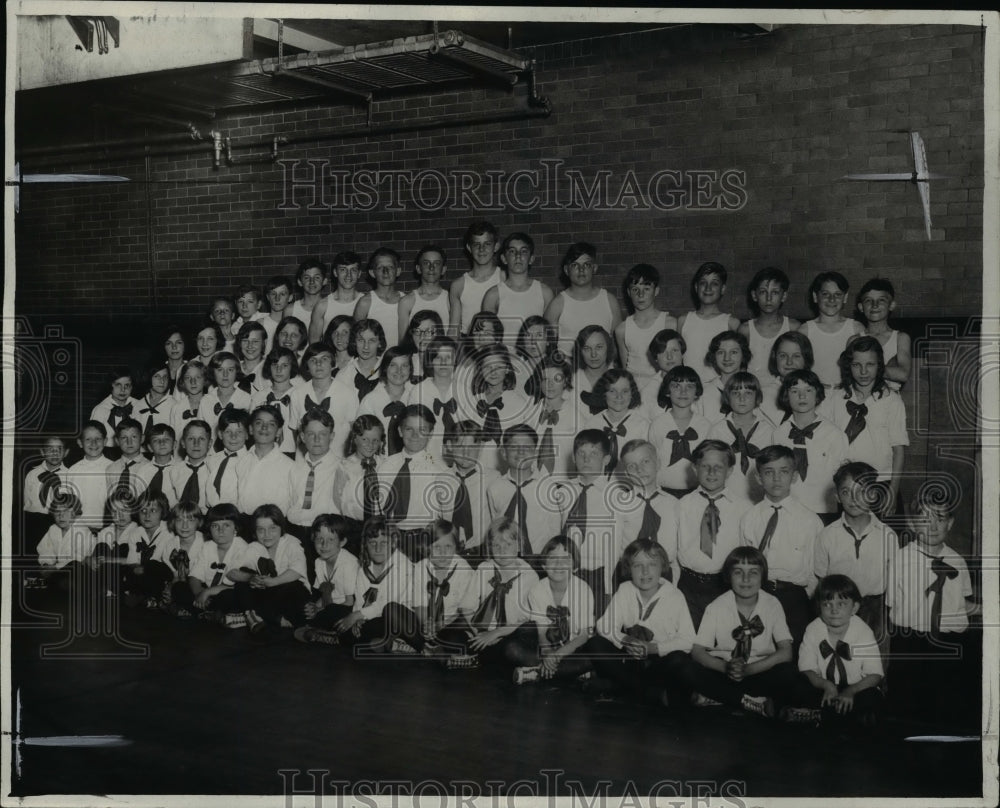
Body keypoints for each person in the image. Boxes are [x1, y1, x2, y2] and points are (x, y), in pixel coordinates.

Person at [886, 489, 977, 728]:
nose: (933, 525)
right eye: (925, 518)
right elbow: (893, 603)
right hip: (912, 641)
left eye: (940, 517)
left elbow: (962, 603)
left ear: (950, 523)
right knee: (909, 705)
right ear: (913, 524)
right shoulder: (901, 559)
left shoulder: (957, 560)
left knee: (947, 703)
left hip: (950, 641)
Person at [684, 547, 796, 718]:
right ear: (728, 576)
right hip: (725, 672)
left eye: (753, 572)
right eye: (738, 572)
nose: (745, 579)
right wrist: (726, 667)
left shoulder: (772, 604)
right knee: (687, 669)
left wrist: (749, 670)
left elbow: (786, 652)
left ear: (763, 577)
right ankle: (751, 702)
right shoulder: (716, 606)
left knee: (789, 672)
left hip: (758, 671)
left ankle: (721, 697)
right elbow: (698, 651)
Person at [585, 539, 695, 705]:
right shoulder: (625, 590)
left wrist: (653, 649)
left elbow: (688, 640)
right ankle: (645, 692)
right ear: (629, 569)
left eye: (651, 564)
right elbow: (604, 625)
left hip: (657, 663)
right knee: (595, 643)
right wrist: (626, 640)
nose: (644, 571)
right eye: (637, 565)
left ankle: (624, 687)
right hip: (630, 659)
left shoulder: (675, 596)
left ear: (663, 567)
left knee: (679, 659)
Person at [739, 445, 823, 646]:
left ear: (794, 476)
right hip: (759, 595)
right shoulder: (749, 518)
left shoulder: (810, 521)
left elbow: (815, 573)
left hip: (795, 599)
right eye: (769, 472)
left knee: (794, 656)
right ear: (759, 478)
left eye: (784, 472)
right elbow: (744, 565)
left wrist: (811, 610)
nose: (776, 479)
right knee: (759, 649)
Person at [814, 462, 898, 660]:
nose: (854, 499)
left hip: (876, 609)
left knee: (875, 663)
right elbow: (820, 578)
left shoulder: (888, 535)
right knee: (838, 662)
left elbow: (895, 580)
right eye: (846, 492)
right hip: (838, 608)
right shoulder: (827, 535)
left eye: (862, 491)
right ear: (837, 496)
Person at [781, 575, 884, 727]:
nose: (834, 610)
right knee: (796, 684)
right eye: (827, 604)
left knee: (873, 698)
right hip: (823, 688)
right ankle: (838, 719)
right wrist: (826, 685)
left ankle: (818, 716)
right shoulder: (813, 629)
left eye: (841, 604)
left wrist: (850, 691)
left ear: (854, 608)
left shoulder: (863, 631)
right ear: (819, 607)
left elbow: (875, 675)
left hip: (854, 689)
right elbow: (807, 670)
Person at [824, 337, 908, 517]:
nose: (863, 371)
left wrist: (893, 491)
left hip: (880, 484)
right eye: (856, 365)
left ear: (880, 365)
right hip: (846, 486)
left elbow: (899, 450)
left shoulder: (891, 401)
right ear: (848, 366)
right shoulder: (835, 399)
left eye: (870, 364)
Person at [673, 439, 751, 629]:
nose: (712, 472)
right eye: (705, 466)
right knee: (688, 642)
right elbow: (675, 550)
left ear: (730, 470)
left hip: (724, 586)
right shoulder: (682, 505)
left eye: (718, 467)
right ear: (694, 468)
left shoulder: (744, 509)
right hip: (688, 585)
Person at [557, 429, 627, 614]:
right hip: (566, 571)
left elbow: (616, 543)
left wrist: (607, 587)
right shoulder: (564, 490)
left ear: (606, 459)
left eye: (594, 454)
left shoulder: (616, 495)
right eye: (581, 454)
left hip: (598, 575)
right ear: (573, 457)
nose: (586, 459)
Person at [385, 520, 477, 657]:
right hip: (425, 625)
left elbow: (466, 612)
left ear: (456, 548)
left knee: (456, 639)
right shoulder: (421, 567)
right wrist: (426, 625)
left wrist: (440, 625)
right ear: (427, 547)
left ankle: (418, 646)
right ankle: (426, 648)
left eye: (448, 547)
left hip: (449, 624)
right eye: (436, 547)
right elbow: (419, 604)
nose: (442, 553)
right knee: (391, 609)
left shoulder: (465, 570)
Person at [510, 535, 595, 684]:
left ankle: (537, 673)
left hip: (574, 647)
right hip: (549, 646)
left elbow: (583, 636)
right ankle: (571, 673)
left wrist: (557, 656)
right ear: (544, 564)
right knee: (512, 650)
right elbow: (542, 631)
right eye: (552, 558)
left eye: (566, 559)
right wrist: (547, 652)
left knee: (596, 655)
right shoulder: (537, 590)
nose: (558, 564)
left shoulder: (583, 589)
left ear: (575, 566)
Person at [377, 404, 456, 560]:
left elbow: (448, 516)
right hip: (390, 537)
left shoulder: (440, 469)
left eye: (422, 430)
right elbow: (378, 505)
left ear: (431, 433)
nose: (414, 435)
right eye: (409, 429)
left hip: (424, 540)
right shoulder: (386, 465)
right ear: (400, 431)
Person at [464, 516, 541, 669]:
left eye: (508, 544)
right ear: (489, 547)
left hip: (511, 633)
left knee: (512, 649)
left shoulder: (529, 576)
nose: (502, 551)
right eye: (496, 546)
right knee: (453, 635)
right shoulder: (484, 569)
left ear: (518, 546)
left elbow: (529, 622)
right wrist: (478, 635)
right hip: (484, 632)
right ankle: (495, 660)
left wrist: (496, 634)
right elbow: (467, 607)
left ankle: (488, 659)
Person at [772, 369, 848, 519]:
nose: (802, 396)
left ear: (818, 394)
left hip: (824, 511)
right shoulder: (778, 434)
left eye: (808, 390)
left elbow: (842, 480)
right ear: (786, 396)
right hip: (788, 510)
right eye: (795, 391)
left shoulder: (834, 435)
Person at [486, 425, 564, 559]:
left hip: (539, 559)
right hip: (506, 558)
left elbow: (555, 531)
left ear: (535, 453)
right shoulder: (495, 488)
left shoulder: (548, 488)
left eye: (527, 448)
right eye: (514, 447)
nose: (521, 452)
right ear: (504, 453)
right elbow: (495, 526)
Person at [234, 505, 311, 634]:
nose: (267, 535)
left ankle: (256, 616)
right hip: (268, 596)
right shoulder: (254, 547)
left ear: (282, 529)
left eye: (273, 528)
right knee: (242, 583)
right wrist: (250, 578)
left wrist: (273, 581)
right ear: (254, 532)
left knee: (294, 588)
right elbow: (232, 571)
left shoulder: (292, 543)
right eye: (261, 530)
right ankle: (263, 617)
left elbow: (297, 570)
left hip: (289, 594)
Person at [618, 439, 680, 583]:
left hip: (665, 573)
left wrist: (674, 583)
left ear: (658, 463)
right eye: (632, 466)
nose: (639, 469)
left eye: (645, 461)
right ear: (626, 473)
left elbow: (677, 553)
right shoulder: (619, 505)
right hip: (630, 573)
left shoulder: (674, 504)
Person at [707, 372, 774, 502]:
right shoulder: (717, 430)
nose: (741, 399)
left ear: (757, 397)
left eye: (748, 393)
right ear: (727, 397)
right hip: (725, 499)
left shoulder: (768, 430)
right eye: (736, 393)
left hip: (759, 500)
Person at [294, 515, 360, 645]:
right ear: (313, 539)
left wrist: (321, 610)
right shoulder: (319, 562)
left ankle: (322, 632)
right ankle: (327, 634)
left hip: (349, 609)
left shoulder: (349, 563)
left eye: (331, 539)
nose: (324, 545)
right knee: (304, 608)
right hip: (330, 607)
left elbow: (349, 602)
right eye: (319, 539)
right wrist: (315, 607)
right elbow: (324, 596)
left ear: (342, 542)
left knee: (331, 612)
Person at [544, 241, 623, 349]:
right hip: (569, 365)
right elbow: (548, 347)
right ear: (567, 270)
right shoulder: (557, 305)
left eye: (586, 264)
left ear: (594, 268)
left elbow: (618, 346)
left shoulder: (609, 300)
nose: (581, 270)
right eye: (575, 265)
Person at [648, 365, 713, 495]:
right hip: (663, 491)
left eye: (689, 386)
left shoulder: (704, 425)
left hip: (697, 492)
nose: (683, 392)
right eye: (676, 386)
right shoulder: (658, 424)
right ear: (667, 391)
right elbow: (652, 460)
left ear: (696, 392)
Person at [187, 502, 255, 625]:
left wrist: (207, 592)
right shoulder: (207, 546)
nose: (220, 530)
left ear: (236, 528)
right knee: (181, 588)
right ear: (209, 528)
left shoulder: (242, 547)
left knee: (230, 596)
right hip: (207, 594)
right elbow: (194, 575)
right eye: (215, 526)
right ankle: (215, 615)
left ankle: (211, 614)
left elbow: (234, 584)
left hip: (228, 591)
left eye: (226, 525)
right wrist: (199, 593)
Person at [482, 232, 554, 346]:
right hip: (505, 360)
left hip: (534, 359)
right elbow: (487, 339)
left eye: (524, 251)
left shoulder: (545, 292)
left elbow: (550, 335)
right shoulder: (493, 295)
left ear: (531, 259)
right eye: (512, 251)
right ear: (504, 259)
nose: (518, 256)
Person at [442, 421, 499, 560]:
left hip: (482, 554)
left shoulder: (494, 478)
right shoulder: (440, 480)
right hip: (449, 554)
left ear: (480, 447)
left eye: (472, 446)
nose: (466, 452)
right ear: (449, 446)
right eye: (460, 446)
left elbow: (498, 523)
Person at [286, 409, 340, 554]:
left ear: (332, 436)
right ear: (302, 437)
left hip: (325, 537)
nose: (317, 440)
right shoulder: (295, 469)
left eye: (322, 434)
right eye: (311, 434)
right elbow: (291, 502)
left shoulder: (341, 468)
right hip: (295, 533)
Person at [677, 262, 741, 384]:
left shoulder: (731, 323)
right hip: (689, 387)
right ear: (696, 287)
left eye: (715, 283)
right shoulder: (683, 320)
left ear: (722, 289)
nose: (708, 287)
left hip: (719, 387)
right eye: (703, 283)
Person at [614, 263, 677, 387]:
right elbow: (626, 370)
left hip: (662, 390)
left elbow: (676, 365)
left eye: (646, 289)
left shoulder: (669, 323)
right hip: (635, 392)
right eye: (635, 289)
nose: (640, 295)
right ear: (628, 292)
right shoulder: (622, 329)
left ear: (656, 291)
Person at [799, 272, 865, 389]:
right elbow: (799, 369)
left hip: (847, 393)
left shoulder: (856, 328)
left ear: (845, 297)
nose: (831, 299)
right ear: (815, 297)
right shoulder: (805, 330)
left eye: (838, 294)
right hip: (815, 393)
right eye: (825, 294)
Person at [738, 267, 800, 381]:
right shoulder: (746, 329)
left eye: (775, 292)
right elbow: (740, 368)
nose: (768, 298)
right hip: (754, 391)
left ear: (784, 296)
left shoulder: (793, 327)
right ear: (754, 295)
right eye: (763, 292)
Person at [583, 368, 649, 475]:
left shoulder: (643, 425)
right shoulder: (592, 424)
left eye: (625, 391)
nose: (619, 396)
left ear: (632, 393)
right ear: (604, 393)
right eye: (612, 391)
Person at [529, 355, 585, 477]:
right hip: (532, 482)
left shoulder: (577, 418)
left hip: (564, 483)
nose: (550, 384)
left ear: (565, 381)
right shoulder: (529, 414)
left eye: (557, 379)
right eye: (545, 379)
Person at [234, 405, 295, 516]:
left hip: (274, 525)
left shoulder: (289, 466)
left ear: (278, 432)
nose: (264, 427)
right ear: (251, 429)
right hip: (244, 523)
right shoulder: (241, 461)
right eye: (259, 423)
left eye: (271, 424)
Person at [405, 335, 459, 462]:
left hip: (458, 460)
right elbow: (412, 429)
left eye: (448, 358)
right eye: (438, 357)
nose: (444, 363)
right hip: (425, 458)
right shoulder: (419, 391)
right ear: (431, 361)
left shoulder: (464, 391)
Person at [854, 277, 911, 390]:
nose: (875, 305)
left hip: (890, 402)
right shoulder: (854, 340)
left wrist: (866, 369)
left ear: (891, 305)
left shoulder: (900, 338)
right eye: (868, 301)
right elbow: (851, 373)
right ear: (861, 307)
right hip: (862, 401)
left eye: (881, 300)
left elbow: (903, 374)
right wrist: (888, 369)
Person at [450, 220, 505, 336]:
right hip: (470, 347)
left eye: (487, 244)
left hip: (500, 347)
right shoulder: (459, 285)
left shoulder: (504, 278)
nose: (481, 249)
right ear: (469, 248)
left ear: (496, 246)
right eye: (476, 244)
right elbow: (454, 331)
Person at [356, 347, 413, 455]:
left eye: (404, 366)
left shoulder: (415, 398)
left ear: (410, 369)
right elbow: (361, 436)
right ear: (385, 368)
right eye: (393, 365)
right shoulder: (371, 400)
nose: (399, 370)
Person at [332, 415, 385, 529]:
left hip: (380, 526)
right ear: (355, 438)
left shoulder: (385, 464)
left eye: (375, 440)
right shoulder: (344, 466)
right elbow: (337, 500)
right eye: (365, 439)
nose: (370, 445)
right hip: (353, 526)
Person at [35, 491, 96, 589]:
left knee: (64, 581)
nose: (61, 516)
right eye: (57, 512)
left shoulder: (82, 530)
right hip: (59, 570)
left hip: (80, 572)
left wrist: (55, 568)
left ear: (75, 513)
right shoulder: (53, 529)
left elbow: (78, 558)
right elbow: (45, 550)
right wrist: (46, 564)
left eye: (66, 511)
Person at [758, 331, 815, 427]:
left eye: (796, 356)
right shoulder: (763, 395)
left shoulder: (816, 392)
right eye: (783, 356)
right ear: (774, 358)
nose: (789, 362)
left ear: (806, 359)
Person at [249, 347, 299, 456]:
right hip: (264, 452)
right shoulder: (258, 397)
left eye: (284, 366)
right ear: (269, 367)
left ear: (292, 367)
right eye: (274, 365)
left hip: (292, 453)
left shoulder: (299, 395)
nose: (279, 370)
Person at [23, 436, 71, 547]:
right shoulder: (32, 474)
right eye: (50, 449)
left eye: (59, 449)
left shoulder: (70, 475)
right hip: (32, 521)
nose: (55, 453)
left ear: (66, 452)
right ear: (42, 452)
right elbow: (26, 501)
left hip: (56, 522)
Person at [63, 421, 113, 529]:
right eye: (88, 439)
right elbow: (68, 503)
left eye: (98, 439)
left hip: (105, 529)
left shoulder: (113, 468)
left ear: (105, 441)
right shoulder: (73, 470)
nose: (93, 443)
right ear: (80, 443)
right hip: (78, 529)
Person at [397, 245, 451, 341]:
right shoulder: (407, 301)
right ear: (418, 268)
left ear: (443, 269)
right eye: (426, 263)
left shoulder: (450, 300)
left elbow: (454, 339)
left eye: (437, 263)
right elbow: (403, 341)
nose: (431, 267)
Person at [353, 247, 404, 348]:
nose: (385, 271)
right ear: (372, 273)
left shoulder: (406, 301)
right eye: (380, 268)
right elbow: (356, 337)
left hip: (400, 361)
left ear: (398, 271)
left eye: (390, 267)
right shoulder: (365, 303)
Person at [309, 252, 364, 343]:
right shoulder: (322, 306)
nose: (348, 275)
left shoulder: (366, 302)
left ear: (359, 273)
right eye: (343, 269)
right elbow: (314, 344)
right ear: (335, 272)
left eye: (353, 270)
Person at [698, 330, 751, 422]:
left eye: (733, 352)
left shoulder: (752, 389)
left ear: (743, 355)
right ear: (714, 356)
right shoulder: (703, 392)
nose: (727, 358)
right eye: (721, 352)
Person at [196, 352, 252, 436]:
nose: (225, 374)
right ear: (212, 372)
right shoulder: (206, 400)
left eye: (230, 370)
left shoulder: (246, 399)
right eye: (220, 370)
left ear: (236, 371)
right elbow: (200, 431)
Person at [639, 328, 686, 420]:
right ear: (655, 358)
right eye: (663, 351)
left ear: (682, 353)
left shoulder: (697, 384)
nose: (669, 356)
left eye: (674, 350)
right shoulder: (647, 391)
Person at [90, 366, 142, 449]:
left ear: (132, 387)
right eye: (118, 385)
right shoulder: (100, 410)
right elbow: (93, 438)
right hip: (108, 453)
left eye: (127, 385)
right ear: (111, 386)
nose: (123, 390)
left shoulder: (140, 406)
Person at [571, 325, 617, 415]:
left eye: (599, 347)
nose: (593, 354)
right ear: (580, 351)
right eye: (587, 348)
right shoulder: (572, 381)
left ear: (608, 348)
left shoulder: (620, 380)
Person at [166, 420, 211, 509]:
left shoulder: (214, 468)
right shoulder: (174, 470)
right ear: (183, 443)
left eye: (201, 439)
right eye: (191, 439)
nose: (196, 444)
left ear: (210, 443)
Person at [289, 257, 329, 332]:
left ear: (324, 281)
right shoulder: (291, 310)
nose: (312, 282)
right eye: (307, 278)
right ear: (300, 282)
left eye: (317, 277)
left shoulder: (330, 307)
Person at [261, 275, 296, 347]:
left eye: (282, 294)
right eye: (273, 294)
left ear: (290, 297)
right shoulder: (261, 324)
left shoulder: (296, 324)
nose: (277, 298)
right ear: (268, 297)